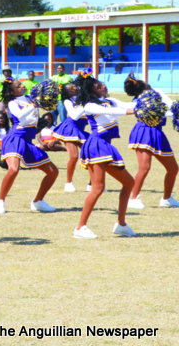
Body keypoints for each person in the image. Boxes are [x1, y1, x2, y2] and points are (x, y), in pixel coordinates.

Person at [74, 75, 136, 239]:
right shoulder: (89, 106)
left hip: (105, 146)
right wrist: (134, 111)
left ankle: (121, 224)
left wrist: (159, 106)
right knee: (98, 187)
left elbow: (129, 104)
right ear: (92, 90)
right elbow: (113, 112)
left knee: (129, 183)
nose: (104, 87)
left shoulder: (110, 100)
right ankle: (80, 227)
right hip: (96, 145)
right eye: (100, 86)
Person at [0, 77, 59, 214]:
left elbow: (45, 100)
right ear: (12, 92)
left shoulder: (30, 98)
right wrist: (34, 106)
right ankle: (0, 201)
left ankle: (38, 202)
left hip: (28, 141)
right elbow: (20, 116)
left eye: (21, 84)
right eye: (18, 86)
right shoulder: (13, 103)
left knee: (53, 171)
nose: (22, 86)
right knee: (13, 169)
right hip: (15, 138)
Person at [123, 75, 179, 209]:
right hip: (144, 131)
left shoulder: (155, 93)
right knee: (144, 167)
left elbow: (170, 106)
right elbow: (164, 110)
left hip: (158, 133)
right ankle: (134, 198)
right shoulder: (138, 100)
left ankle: (167, 198)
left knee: (173, 168)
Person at [52, 80, 88, 192]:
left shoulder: (85, 98)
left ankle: (92, 183)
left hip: (81, 131)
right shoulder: (68, 101)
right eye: (71, 88)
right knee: (74, 156)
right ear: (67, 92)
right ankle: (68, 183)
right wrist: (86, 104)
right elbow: (75, 116)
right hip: (70, 129)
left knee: (92, 155)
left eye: (74, 86)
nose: (75, 88)